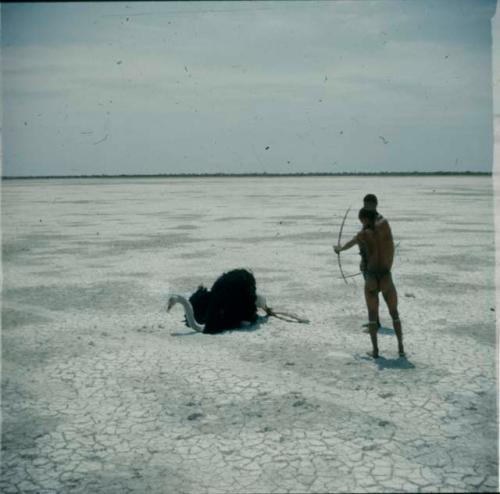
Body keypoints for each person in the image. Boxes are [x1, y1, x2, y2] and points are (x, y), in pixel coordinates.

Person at [334, 208, 405, 359]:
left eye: (361, 220)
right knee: (395, 314)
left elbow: (350, 243)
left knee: (372, 315)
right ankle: (400, 348)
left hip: (372, 277)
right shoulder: (384, 231)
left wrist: (339, 249)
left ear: (365, 219)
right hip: (386, 277)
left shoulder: (363, 235)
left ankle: (375, 351)